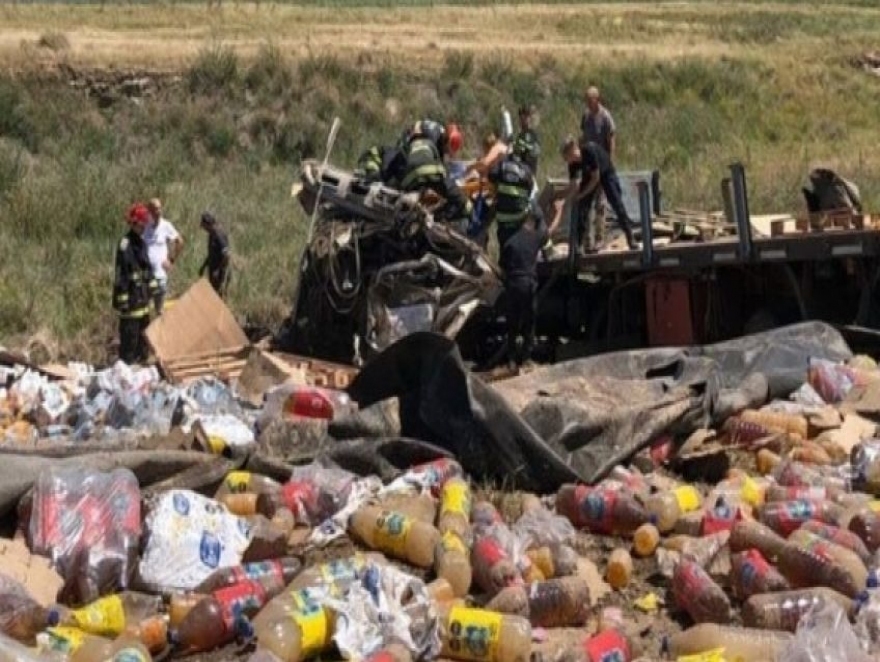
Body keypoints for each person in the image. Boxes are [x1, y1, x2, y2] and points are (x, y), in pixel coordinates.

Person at [561, 136, 637, 252]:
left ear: (573, 150)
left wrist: (582, 194)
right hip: (589, 175)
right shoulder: (572, 164)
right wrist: (570, 198)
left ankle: (630, 236)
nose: (567, 160)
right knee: (582, 207)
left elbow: (596, 178)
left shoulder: (588, 151)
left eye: (567, 156)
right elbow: (573, 184)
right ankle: (579, 244)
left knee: (616, 203)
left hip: (606, 173)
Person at [500, 211, 549, 371]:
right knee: (529, 323)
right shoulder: (534, 238)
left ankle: (512, 360)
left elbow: (502, 265)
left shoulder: (510, 242)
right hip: (528, 284)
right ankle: (526, 359)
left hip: (513, 284)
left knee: (512, 324)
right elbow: (546, 234)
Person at [113, 203, 158, 365]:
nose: (144, 228)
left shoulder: (141, 243)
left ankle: (143, 363)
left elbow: (147, 268)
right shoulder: (125, 245)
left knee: (143, 335)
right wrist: (123, 298)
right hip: (131, 300)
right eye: (141, 225)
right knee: (129, 337)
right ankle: (128, 367)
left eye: (145, 225)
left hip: (143, 299)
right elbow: (122, 274)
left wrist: (153, 286)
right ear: (133, 224)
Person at [580, 86, 617, 248]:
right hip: (588, 166)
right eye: (586, 100)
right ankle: (587, 240)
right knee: (586, 202)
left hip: (601, 166)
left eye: (590, 100)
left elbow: (611, 140)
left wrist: (609, 163)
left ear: (597, 99)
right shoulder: (586, 116)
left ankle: (600, 238)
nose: (587, 103)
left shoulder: (605, 117)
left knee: (600, 204)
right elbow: (583, 137)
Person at [487, 150, 538, 250]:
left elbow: (491, 176)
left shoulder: (503, 165)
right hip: (519, 217)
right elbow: (530, 192)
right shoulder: (527, 171)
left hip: (502, 217)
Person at [143, 198, 183, 315]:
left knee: (159, 310)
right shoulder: (144, 226)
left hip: (160, 276)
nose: (158, 211)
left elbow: (179, 242)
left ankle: (160, 332)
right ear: (149, 210)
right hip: (146, 275)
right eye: (155, 209)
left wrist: (171, 260)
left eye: (159, 208)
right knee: (144, 308)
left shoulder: (166, 225)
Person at [198, 212, 231, 297]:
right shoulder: (211, 235)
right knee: (213, 295)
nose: (204, 229)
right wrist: (204, 266)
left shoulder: (218, 234)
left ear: (208, 224)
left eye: (204, 226)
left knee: (219, 297)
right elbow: (211, 254)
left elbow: (227, 255)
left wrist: (218, 270)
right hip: (213, 273)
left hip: (220, 274)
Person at [512, 104, 541, 177]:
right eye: (521, 117)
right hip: (518, 168)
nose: (522, 119)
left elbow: (534, 151)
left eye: (525, 117)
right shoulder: (521, 135)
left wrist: (519, 145)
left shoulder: (532, 135)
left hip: (527, 171)